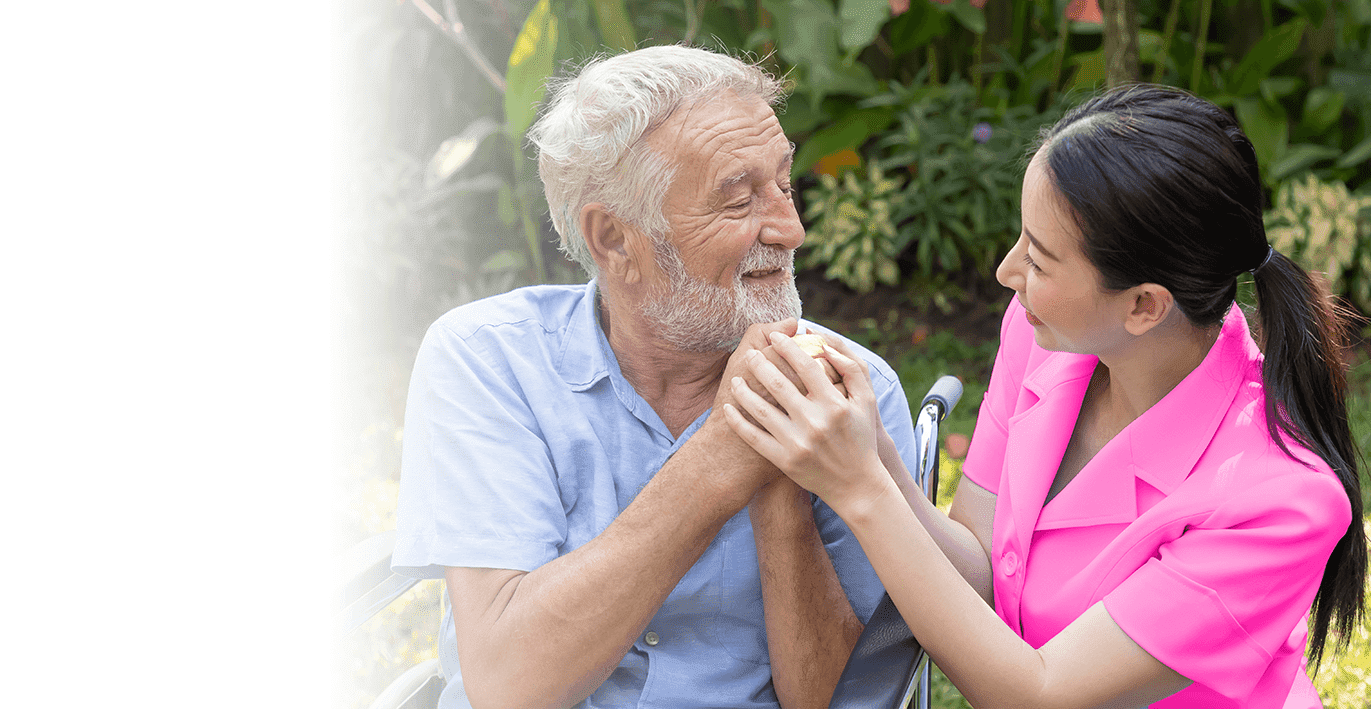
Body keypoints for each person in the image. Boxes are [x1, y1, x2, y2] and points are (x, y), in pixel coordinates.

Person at [723, 84, 1367, 708]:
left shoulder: (1280, 504)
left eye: (1039, 259)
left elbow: (1036, 694)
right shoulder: (1048, 336)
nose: (1006, 272)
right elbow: (978, 571)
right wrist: (878, 457)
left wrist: (858, 487)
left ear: (1144, 305)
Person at [391, 45, 924, 709]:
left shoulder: (847, 390)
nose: (790, 228)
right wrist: (719, 459)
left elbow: (848, 698)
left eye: (783, 185)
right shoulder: (488, 360)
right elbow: (509, 685)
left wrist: (782, 493)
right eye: (737, 201)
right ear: (614, 240)